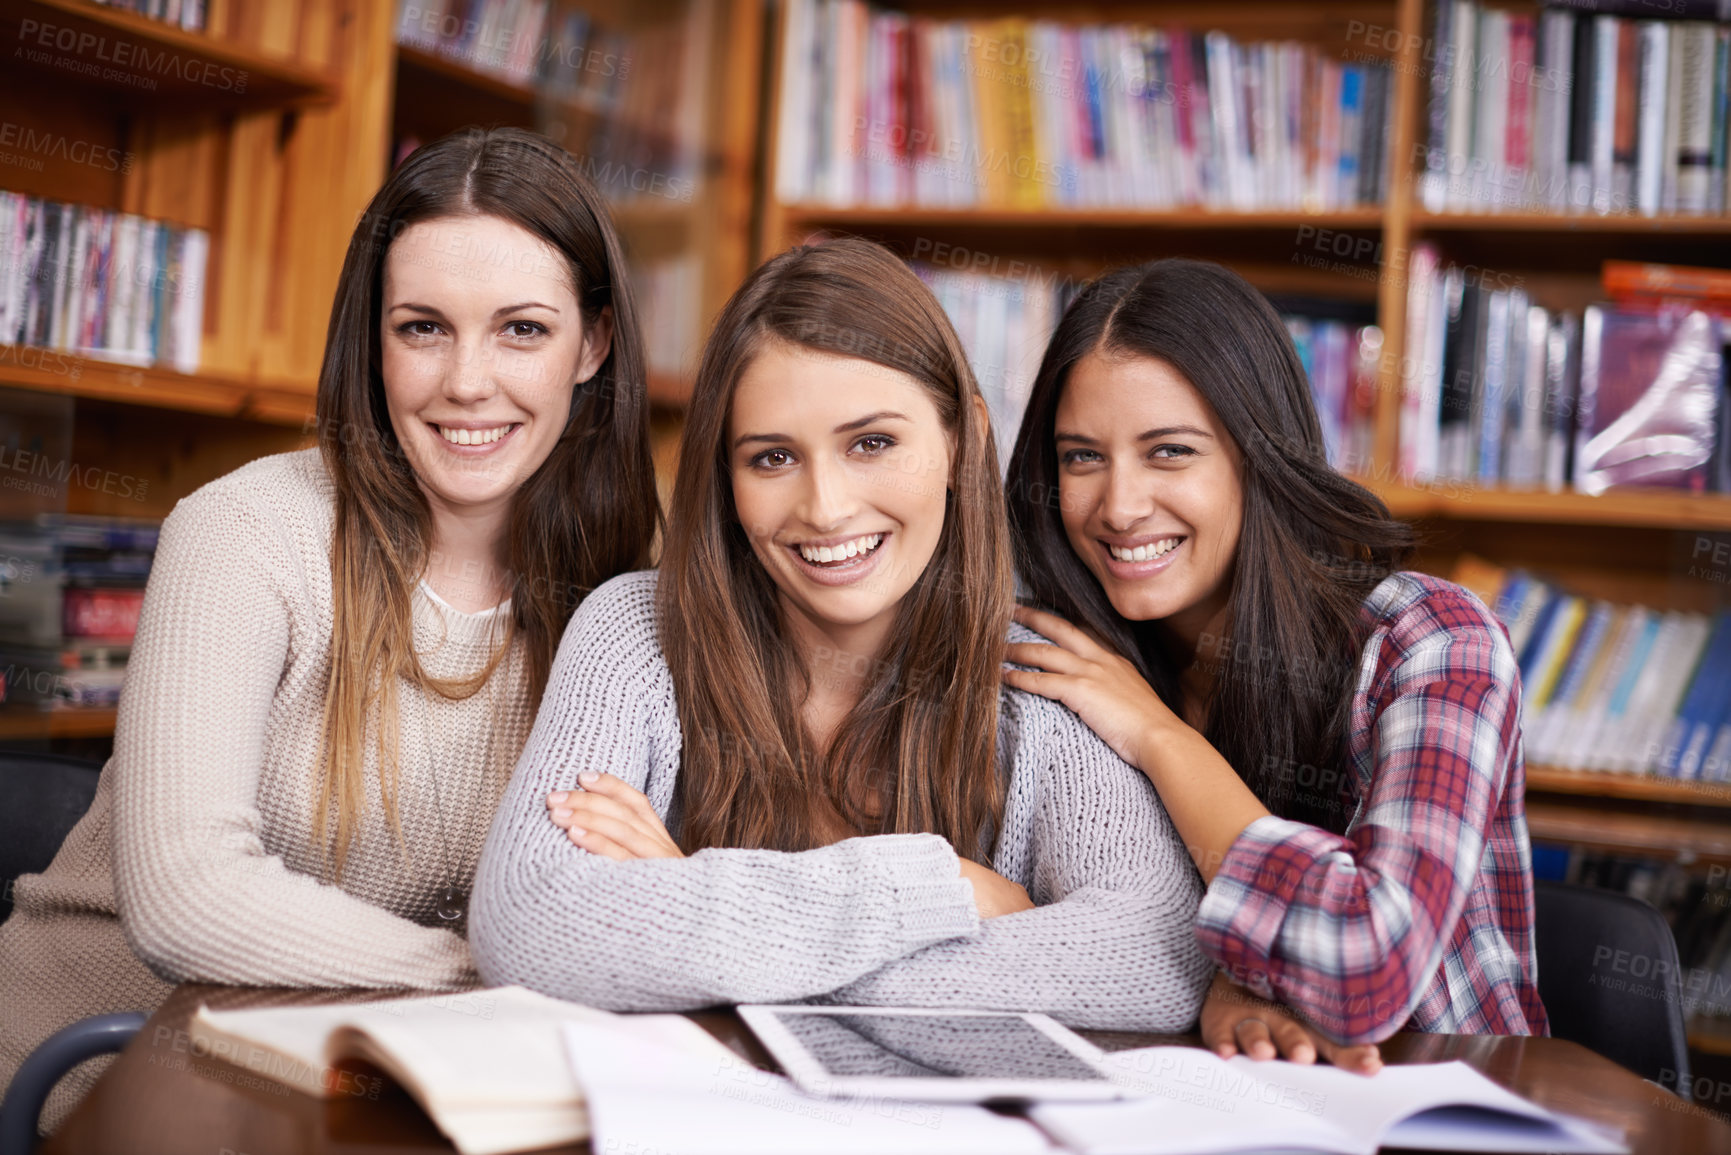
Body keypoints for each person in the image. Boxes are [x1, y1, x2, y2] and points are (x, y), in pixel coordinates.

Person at [0, 127, 659, 1130]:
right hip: (94, 1077)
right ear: (374, 340)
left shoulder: (620, 588)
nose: (468, 382)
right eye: (423, 328)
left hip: (372, 1088)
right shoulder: (247, 533)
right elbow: (190, 896)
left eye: (522, 329)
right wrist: (503, 973)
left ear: (594, 343)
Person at [468, 238, 1213, 1028]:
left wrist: (692, 911)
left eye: (871, 443)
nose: (824, 507)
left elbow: (1155, 959)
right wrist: (940, 888)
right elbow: (529, 923)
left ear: (961, 439)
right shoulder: (635, 631)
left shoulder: (1040, 665)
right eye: (772, 457)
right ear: (725, 476)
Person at [1002, 258, 1548, 1072]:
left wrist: (1161, 738)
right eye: (1081, 457)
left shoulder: (1432, 640)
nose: (1117, 506)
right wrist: (1220, 974)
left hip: (1445, 1100)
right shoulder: (1069, 655)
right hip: (1199, 1096)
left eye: (1170, 452)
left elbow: (1366, 963)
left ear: (1261, 456)